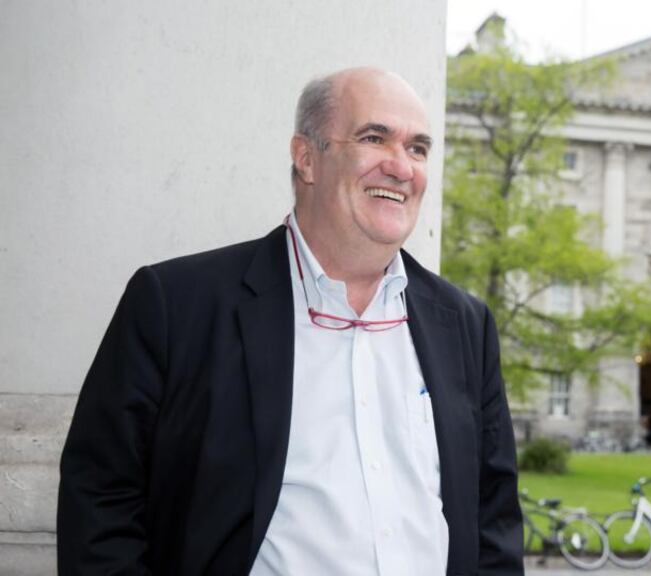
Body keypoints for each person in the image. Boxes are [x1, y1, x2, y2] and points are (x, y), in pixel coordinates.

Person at [57, 68, 523, 575]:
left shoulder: (464, 326)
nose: (401, 167)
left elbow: (493, 522)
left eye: (417, 149)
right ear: (307, 158)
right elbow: (100, 500)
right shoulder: (175, 305)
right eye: (374, 138)